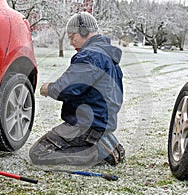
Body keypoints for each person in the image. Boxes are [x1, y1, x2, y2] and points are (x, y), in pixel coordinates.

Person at [29, 12, 125, 166]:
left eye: (72, 36)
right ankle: (105, 141)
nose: (71, 42)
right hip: (99, 122)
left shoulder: (91, 55)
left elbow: (68, 88)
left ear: (84, 31)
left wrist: (49, 88)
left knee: (38, 153)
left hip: (85, 125)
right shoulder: (105, 54)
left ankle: (99, 151)